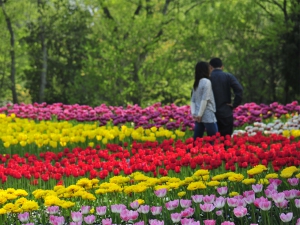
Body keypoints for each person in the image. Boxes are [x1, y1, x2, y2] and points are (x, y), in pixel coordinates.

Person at [209, 58, 243, 137]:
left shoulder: (208, 78)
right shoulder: (228, 76)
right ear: (222, 67)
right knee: (225, 139)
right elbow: (239, 89)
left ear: (210, 67)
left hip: (211, 112)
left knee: (213, 141)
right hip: (225, 112)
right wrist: (235, 104)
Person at [191, 61, 218, 141]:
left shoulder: (196, 83)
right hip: (207, 114)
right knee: (215, 138)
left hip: (198, 115)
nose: (210, 69)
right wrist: (199, 115)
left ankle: (191, 152)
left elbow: (193, 100)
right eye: (209, 68)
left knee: (197, 139)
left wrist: (194, 114)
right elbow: (205, 99)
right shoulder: (207, 82)